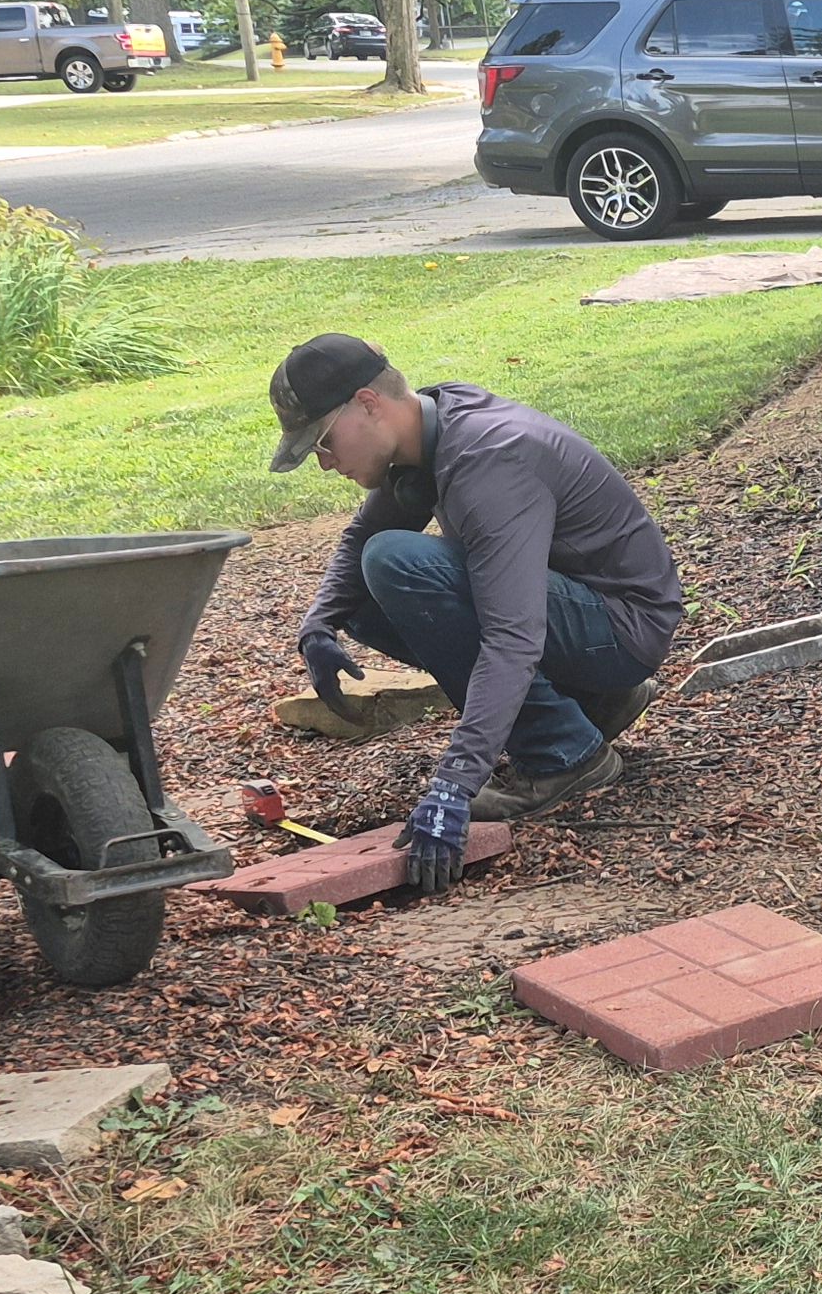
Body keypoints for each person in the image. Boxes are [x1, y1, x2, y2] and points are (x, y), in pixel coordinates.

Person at [270, 333, 681, 894]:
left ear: (368, 403)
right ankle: (588, 706)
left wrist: (454, 785)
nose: (323, 464)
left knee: (396, 562)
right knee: (363, 587)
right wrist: (318, 623)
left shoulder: (489, 458)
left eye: (322, 442)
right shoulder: (428, 427)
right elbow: (361, 532)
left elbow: (513, 638)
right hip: (585, 617)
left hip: (621, 629)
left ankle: (562, 756)